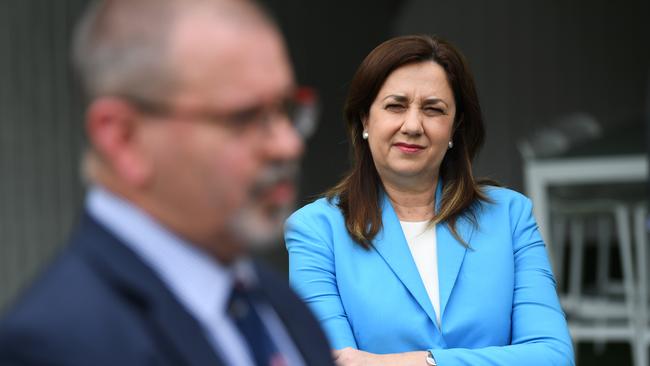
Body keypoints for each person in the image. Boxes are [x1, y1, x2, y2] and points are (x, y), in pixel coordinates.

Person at [0, 0, 333, 365]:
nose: (288, 145)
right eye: (245, 117)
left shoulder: (283, 308)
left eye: (287, 110)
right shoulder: (57, 344)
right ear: (123, 139)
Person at [285, 35, 574, 365]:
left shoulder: (510, 216)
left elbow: (553, 356)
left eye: (433, 109)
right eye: (395, 106)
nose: (412, 125)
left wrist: (420, 362)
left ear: (455, 127)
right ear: (365, 118)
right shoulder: (316, 230)